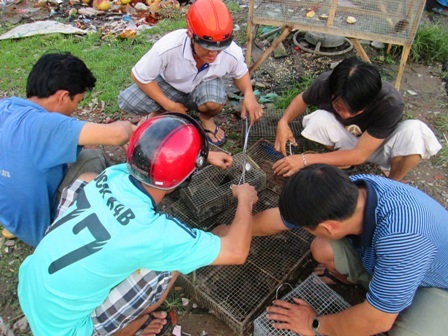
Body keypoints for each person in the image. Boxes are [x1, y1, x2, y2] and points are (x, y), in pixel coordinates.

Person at [18, 113, 258, 336]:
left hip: (30, 284)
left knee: (87, 187)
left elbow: (154, 162)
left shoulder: (113, 175)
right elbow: (236, 251)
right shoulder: (155, 234)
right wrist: (245, 199)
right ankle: (131, 327)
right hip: (67, 331)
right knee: (163, 268)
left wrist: (202, 158)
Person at [248, 164, 448, 336]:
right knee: (322, 248)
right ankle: (380, 290)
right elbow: (280, 219)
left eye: (307, 227)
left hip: (436, 285)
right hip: (403, 261)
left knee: (399, 330)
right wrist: (235, 233)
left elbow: (377, 320)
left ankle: (392, 301)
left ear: (329, 227)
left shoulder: (402, 239)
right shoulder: (351, 187)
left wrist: (314, 323)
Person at [0, 52, 136, 247]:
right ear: (63, 96)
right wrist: (131, 128)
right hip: (44, 234)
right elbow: (118, 135)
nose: (75, 109)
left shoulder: (6, 106)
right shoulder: (47, 126)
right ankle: (93, 230)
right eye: (77, 101)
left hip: (13, 218)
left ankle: (14, 228)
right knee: (91, 158)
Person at [118, 0, 263, 146]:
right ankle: (164, 111)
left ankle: (205, 119)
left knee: (214, 102)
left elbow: (240, 73)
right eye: (206, 46)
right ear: (190, 35)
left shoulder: (231, 51)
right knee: (129, 101)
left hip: (204, 84)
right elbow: (139, 75)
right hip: (170, 84)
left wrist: (249, 94)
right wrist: (169, 104)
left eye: (219, 48)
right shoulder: (169, 46)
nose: (213, 53)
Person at [273, 56, 441, 181]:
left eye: (356, 111)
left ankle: (392, 183)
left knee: (415, 132)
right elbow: (303, 99)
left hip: (379, 147)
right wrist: (283, 121)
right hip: (348, 139)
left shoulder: (390, 103)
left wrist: (304, 160)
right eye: (339, 108)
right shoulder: (326, 83)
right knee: (316, 120)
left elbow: (360, 154)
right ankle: (344, 160)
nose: (345, 115)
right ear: (332, 94)